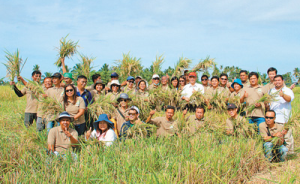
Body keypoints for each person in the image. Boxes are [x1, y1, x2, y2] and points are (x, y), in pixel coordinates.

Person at [269, 75, 295, 153]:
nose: (277, 82)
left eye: (279, 80)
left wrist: (283, 95)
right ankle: (278, 153)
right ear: (273, 82)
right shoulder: (271, 91)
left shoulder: (287, 90)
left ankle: (290, 153)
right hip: (274, 119)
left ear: (283, 81)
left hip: (285, 119)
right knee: (277, 137)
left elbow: (289, 99)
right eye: (275, 80)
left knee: (287, 137)